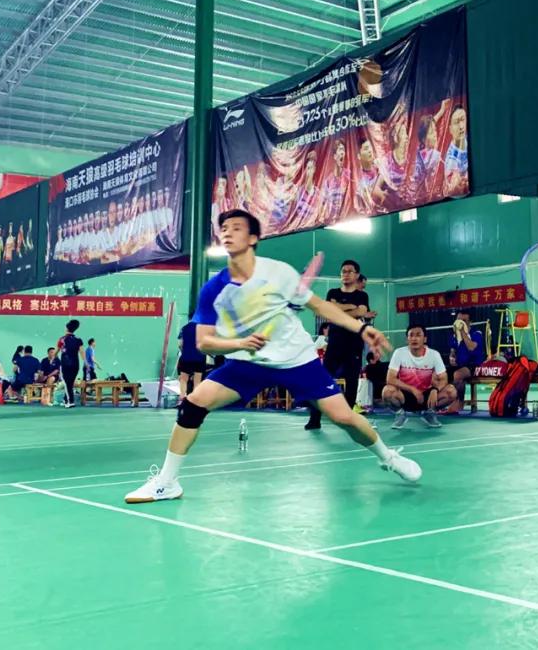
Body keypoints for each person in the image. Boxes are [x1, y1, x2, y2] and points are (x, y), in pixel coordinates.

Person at [124, 209, 419, 504]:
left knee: (344, 418)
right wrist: (239, 343)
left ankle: (388, 457)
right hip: (247, 363)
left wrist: (362, 328)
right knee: (193, 405)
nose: (227, 232)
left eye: (236, 228)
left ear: (253, 238)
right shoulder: (214, 289)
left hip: (297, 360)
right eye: (224, 228)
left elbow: (319, 306)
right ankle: (167, 482)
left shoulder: (278, 273)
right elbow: (204, 343)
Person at [305, 259, 369, 429]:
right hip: (334, 345)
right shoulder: (332, 292)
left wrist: (337, 307)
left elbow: (361, 311)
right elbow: (328, 313)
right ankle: (315, 418)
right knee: (322, 381)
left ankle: (347, 419)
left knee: (351, 383)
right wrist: (350, 308)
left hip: (353, 345)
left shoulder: (362, 295)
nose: (345, 274)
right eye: (343, 271)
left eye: (349, 271)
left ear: (356, 275)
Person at [383, 325, 455, 429]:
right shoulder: (399, 353)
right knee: (387, 391)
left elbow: (444, 378)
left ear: (425, 339)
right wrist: (413, 390)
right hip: (405, 396)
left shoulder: (434, 354)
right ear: (407, 339)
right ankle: (400, 414)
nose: (414, 338)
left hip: (426, 397)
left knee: (451, 391)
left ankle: (430, 413)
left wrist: (435, 389)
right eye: (411, 335)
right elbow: (390, 378)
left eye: (418, 335)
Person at [449, 311, 486, 411]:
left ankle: (459, 403)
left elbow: (471, 347)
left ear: (470, 322)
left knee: (458, 374)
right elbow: (452, 351)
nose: (460, 323)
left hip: (475, 365)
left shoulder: (476, 333)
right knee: (440, 374)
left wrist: (462, 332)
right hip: (460, 365)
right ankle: (439, 404)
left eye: (464, 321)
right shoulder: (454, 335)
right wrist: (452, 357)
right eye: (458, 320)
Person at [176, 320, 208, 402]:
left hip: (186, 357)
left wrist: (185, 351)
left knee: (183, 379)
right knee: (197, 381)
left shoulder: (184, 328)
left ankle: (182, 397)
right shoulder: (203, 328)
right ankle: (194, 400)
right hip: (200, 357)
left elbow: (180, 344)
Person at [57, 320, 86, 409]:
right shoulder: (78, 339)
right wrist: (86, 362)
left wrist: (53, 358)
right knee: (70, 383)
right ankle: (66, 399)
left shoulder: (62, 339)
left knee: (67, 383)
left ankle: (70, 401)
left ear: (66, 328)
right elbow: (82, 352)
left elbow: (56, 351)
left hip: (65, 363)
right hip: (75, 364)